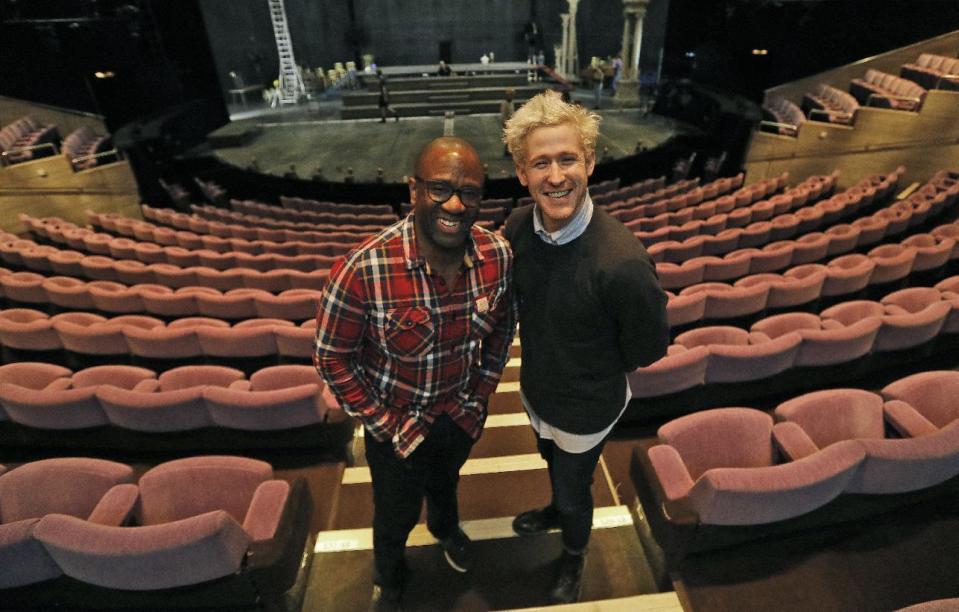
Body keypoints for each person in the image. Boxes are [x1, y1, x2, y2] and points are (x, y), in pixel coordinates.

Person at [314, 136, 516, 612]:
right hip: (395, 429)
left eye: (468, 192)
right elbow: (331, 358)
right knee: (394, 516)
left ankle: (446, 529)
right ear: (413, 190)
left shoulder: (499, 256)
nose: (454, 204)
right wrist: (385, 424)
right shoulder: (361, 269)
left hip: (460, 417)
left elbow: (503, 327)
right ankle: (390, 574)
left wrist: (480, 395)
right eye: (440, 188)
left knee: (447, 485)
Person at [501, 91, 669, 604]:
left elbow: (648, 347)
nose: (556, 176)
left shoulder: (621, 262)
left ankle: (574, 555)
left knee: (576, 491)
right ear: (522, 173)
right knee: (550, 463)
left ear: (590, 162)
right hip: (537, 392)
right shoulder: (515, 229)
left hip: (587, 407)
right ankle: (558, 508)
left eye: (568, 158)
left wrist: (587, 371)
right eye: (541, 162)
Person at [500, 88, 515, 157]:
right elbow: (503, 114)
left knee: (510, 137)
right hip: (507, 122)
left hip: (511, 122)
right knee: (507, 137)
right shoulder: (504, 104)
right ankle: (507, 151)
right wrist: (505, 123)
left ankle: (508, 150)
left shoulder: (511, 103)